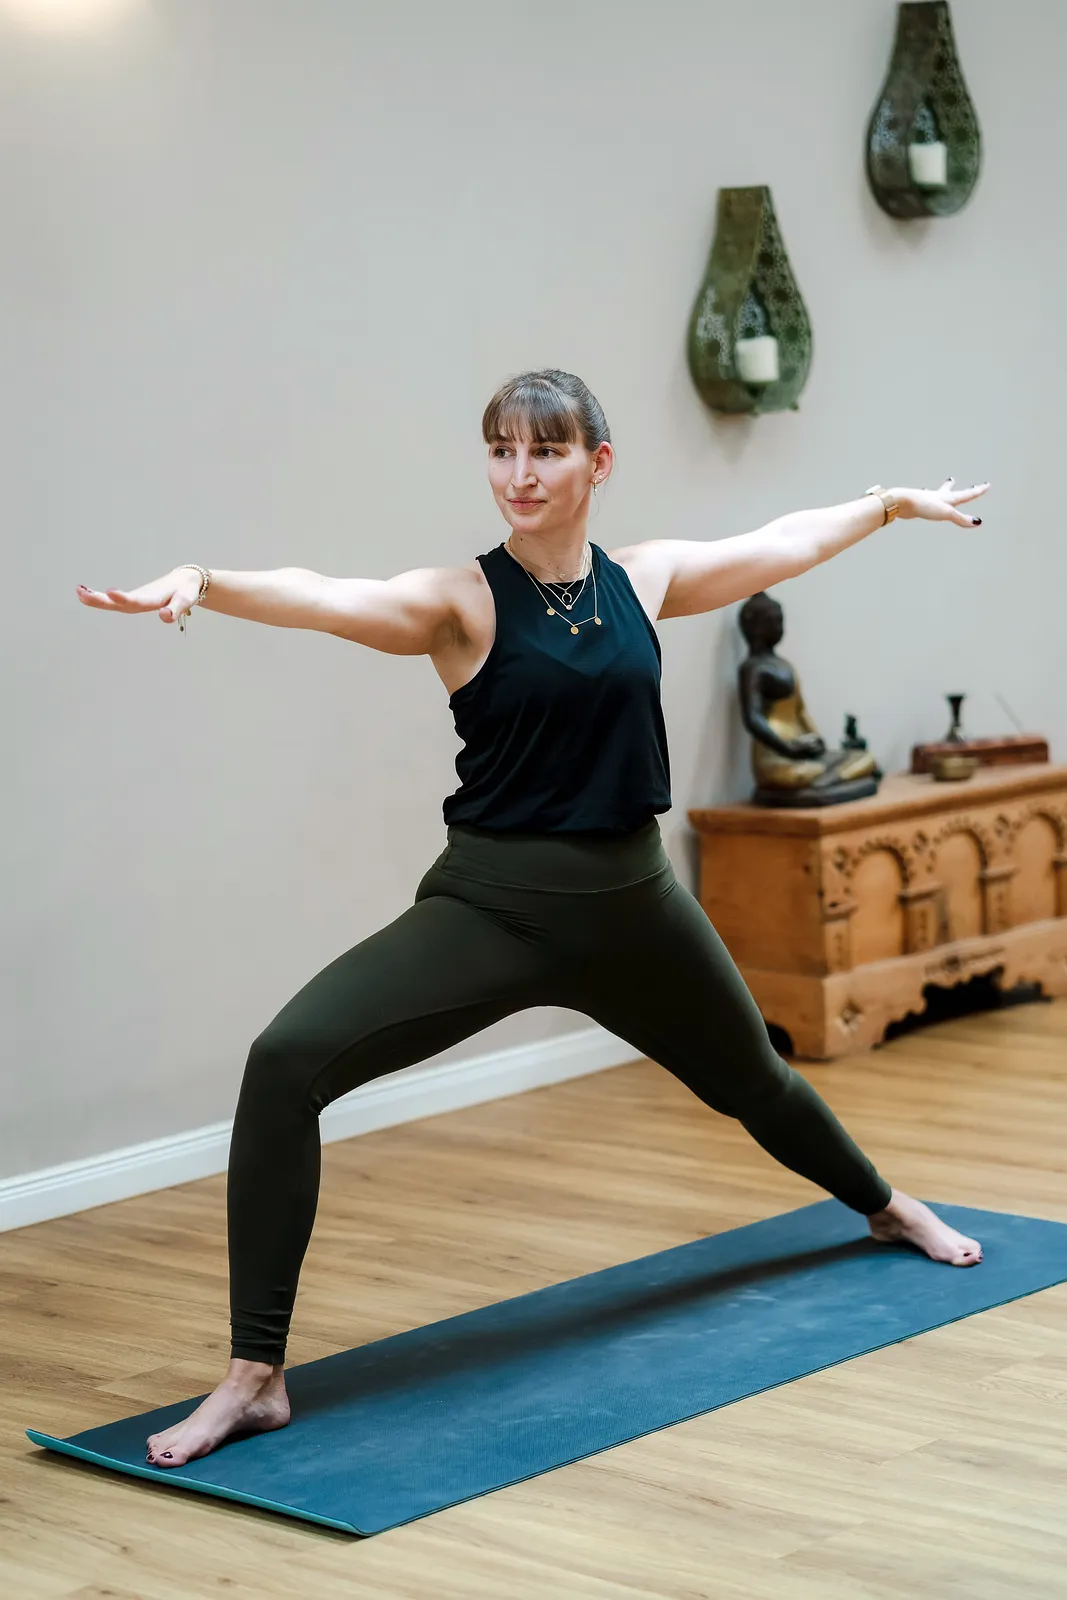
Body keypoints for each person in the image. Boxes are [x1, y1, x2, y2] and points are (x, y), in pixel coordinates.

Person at [75, 368, 990, 1469]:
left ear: (594, 465)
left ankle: (886, 1205)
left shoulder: (640, 580)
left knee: (752, 1074)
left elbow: (782, 539)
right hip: (494, 906)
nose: (518, 473)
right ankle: (254, 1376)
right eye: (501, 450)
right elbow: (324, 592)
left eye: (544, 451)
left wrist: (889, 504)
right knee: (284, 1060)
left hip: (635, 903)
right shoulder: (457, 601)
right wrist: (202, 579)